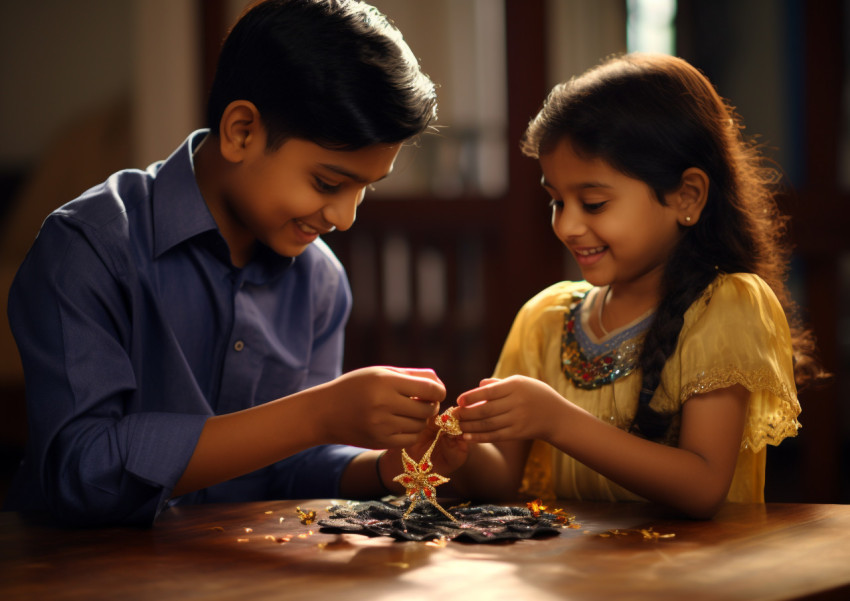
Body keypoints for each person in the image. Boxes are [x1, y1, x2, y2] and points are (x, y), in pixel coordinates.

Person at [4, 0, 443, 527]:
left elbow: (289, 467)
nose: (345, 218)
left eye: (365, 189)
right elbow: (85, 472)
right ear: (240, 131)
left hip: (248, 573)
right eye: (328, 183)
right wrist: (317, 414)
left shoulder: (320, 279)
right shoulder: (90, 246)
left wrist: (384, 469)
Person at [448, 53, 825, 519]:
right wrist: (446, 446)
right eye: (555, 201)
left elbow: (703, 485)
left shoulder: (725, 306)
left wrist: (557, 420)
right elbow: (500, 478)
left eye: (593, 202)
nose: (566, 225)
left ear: (687, 196)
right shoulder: (545, 318)